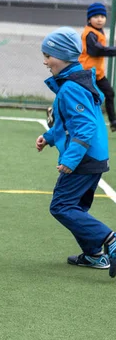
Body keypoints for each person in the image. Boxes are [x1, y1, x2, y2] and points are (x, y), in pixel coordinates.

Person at [36, 26, 115, 277]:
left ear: (65, 55)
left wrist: (70, 159)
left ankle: (110, 239)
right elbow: (69, 122)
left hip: (84, 158)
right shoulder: (76, 81)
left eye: (50, 55)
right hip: (96, 157)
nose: (45, 61)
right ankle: (93, 255)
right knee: (77, 207)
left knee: (61, 206)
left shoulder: (70, 87)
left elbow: (85, 127)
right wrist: (49, 137)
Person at [79, 2, 116, 131]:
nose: (100, 19)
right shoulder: (89, 34)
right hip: (86, 74)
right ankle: (55, 113)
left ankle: (113, 121)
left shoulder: (98, 31)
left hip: (98, 74)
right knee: (80, 98)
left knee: (109, 93)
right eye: (96, 16)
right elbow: (96, 50)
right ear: (89, 19)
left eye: (102, 16)